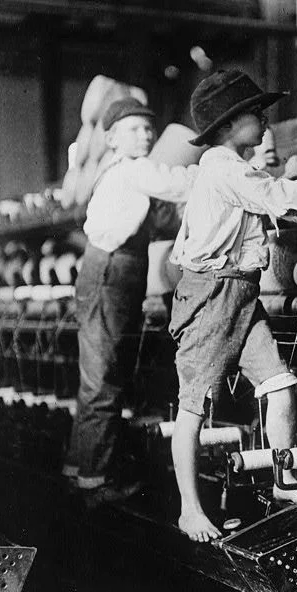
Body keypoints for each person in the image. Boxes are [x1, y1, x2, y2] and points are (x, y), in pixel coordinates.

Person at [169, 69, 297, 541]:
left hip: (241, 293)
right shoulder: (224, 167)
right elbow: (282, 197)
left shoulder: (235, 167)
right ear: (226, 126)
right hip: (212, 296)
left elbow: (279, 196)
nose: (265, 120)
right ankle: (188, 509)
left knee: (280, 385)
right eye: (254, 113)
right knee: (193, 408)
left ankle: (283, 481)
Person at [69, 97, 198, 506]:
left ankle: (80, 467)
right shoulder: (134, 169)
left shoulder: (119, 174)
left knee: (100, 375)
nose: (145, 135)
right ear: (110, 138)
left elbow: (159, 219)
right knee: (105, 377)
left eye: (148, 129)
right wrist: (223, 170)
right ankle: (94, 482)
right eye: (133, 129)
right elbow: (181, 184)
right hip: (112, 272)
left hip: (112, 270)